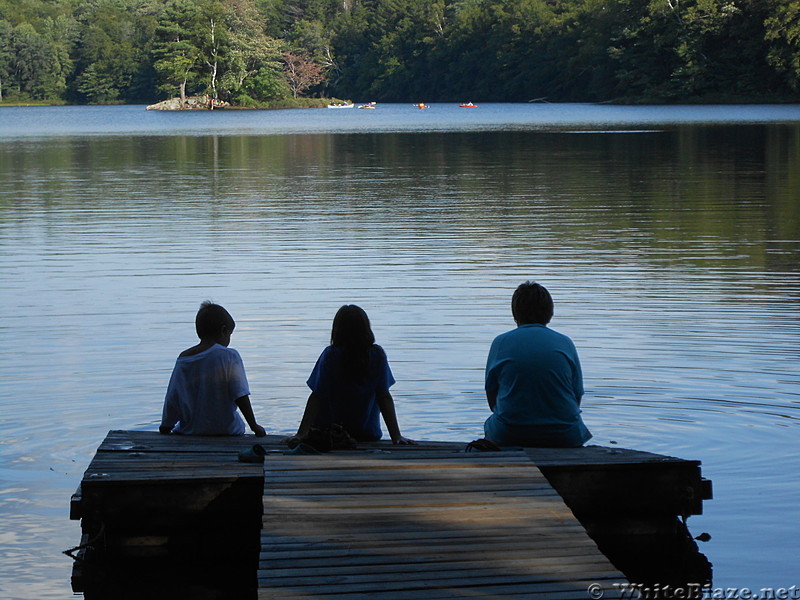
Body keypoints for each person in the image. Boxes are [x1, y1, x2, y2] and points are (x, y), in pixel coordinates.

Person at [483, 282, 591, 448]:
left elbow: (492, 401)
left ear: (515, 313)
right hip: (565, 435)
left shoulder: (501, 343)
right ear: (550, 313)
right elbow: (576, 398)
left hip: (509, 434)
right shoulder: (565, 342)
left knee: (491, 423)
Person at [289, 305, 414, 445]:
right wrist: (396, 436)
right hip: (367, 433)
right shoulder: (377, 355)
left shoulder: (330, 355)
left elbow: (317, 396)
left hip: (329, 434)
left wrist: (301, 434)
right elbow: (384, 396)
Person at [160, 301, 266, 437]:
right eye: (230, 334)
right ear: (223, 331)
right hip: (227, 431)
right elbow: (240, 395)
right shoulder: (229, 355)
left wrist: (166, 425)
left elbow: (173, 397)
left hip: (190, 432)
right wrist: (254, 426)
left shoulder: (184, 359)